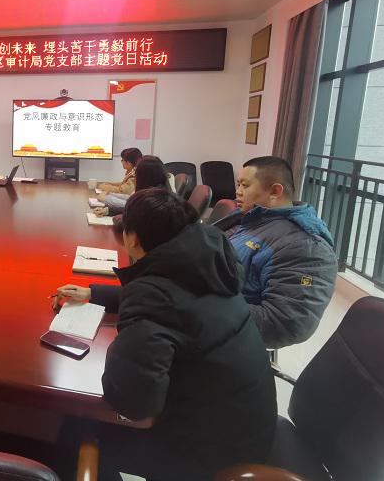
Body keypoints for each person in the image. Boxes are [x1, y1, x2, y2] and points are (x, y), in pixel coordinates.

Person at [55, 189, 276, 480]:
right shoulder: (209, 262)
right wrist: (94, 293)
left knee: (72, 430)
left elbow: (134, 404)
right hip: (247, 427)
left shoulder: (154, 297)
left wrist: (120, 346)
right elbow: (179, 300)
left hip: (208, 454)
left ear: (133, 239)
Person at [220, 156, 337, 349]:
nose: (238, 191)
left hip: (226, 340)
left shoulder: (305, 246)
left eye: (245, 185)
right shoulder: (250, 217)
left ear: (275, 191)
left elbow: (285, 323)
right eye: (238, 184)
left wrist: (202, 307)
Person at [95, 157, 170, 217]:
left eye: (136, 172)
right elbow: (132, 202)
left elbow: (131, 206)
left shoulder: (154, 202)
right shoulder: (157, 192)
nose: (135, 175)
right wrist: (109, 210)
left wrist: (106, 198)